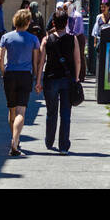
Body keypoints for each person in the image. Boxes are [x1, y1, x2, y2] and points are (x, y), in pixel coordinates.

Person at [0, 8, 43, 157]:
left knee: (11, 109)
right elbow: (35, 62)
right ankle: (15, 141)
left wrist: (3, 72)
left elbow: (0, 59)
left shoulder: (6, 37)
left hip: (10, 74)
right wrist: (37, 80)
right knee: (21, 111)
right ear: (27, 22)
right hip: (25, 75)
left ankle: (14, 139)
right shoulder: (33, 39)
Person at [38, 11, 82, 153]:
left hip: (50, 79)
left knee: (51, 112)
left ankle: (49, 141)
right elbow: (78, 60)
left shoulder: (47, 40)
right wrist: (76, 78)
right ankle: (63, 146)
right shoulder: (72, 39)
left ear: (53, 23)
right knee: (65, 114)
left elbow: (41, 62)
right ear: (67, 23)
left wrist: (38, 80)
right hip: (67, 80)